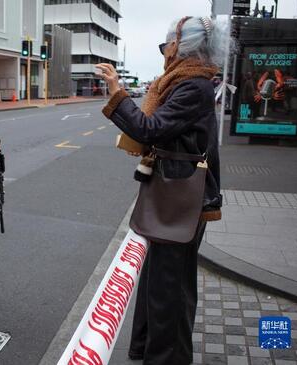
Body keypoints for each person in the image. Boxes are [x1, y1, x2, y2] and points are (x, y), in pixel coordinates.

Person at [96, 16, 227, 365]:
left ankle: (167, 358)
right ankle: (146, 347)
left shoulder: (193, 86)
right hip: (171, 191)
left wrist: (116, 93)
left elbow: (150, 128)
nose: (163, 53)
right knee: (157, 278)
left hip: (180, 196)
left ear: (180, 46)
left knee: (171, 288)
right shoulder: (183, 82)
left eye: (165, 45)